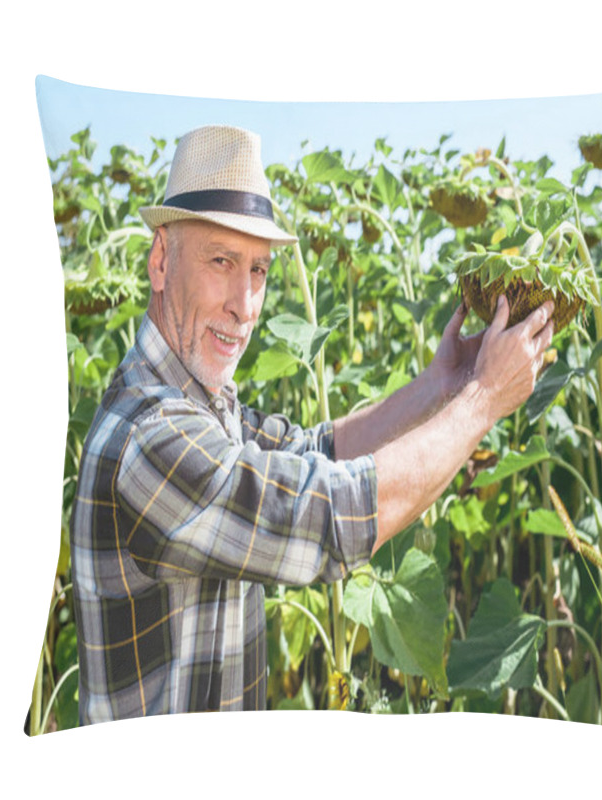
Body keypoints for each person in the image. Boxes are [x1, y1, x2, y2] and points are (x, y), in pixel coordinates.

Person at [71, 125, 555, 724]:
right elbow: (330, 514)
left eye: (259, 271)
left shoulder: (201, 404)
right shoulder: (149, 437)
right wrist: (483, 401)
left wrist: (444, 384)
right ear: (161, 261)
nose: (245, 306)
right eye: (221, 262)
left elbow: (317, 451)